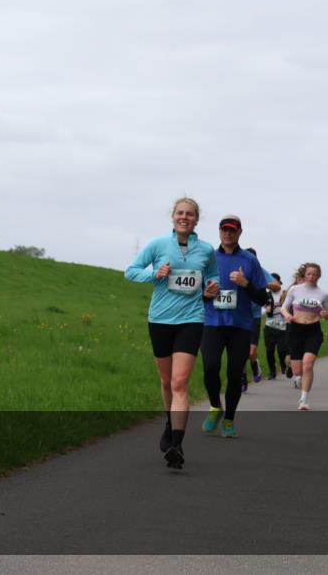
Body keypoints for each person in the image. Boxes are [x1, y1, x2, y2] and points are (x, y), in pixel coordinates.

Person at [126, 197, 220, 469]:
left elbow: (213, 276)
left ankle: (177, 444)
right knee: (166, 382)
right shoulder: (157, 245)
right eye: (180, 213)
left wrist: (210, 289)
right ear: (173, 217)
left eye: (190, 214)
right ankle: (170, 421)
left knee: (180, 382)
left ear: (196, 220)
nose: (185, 217)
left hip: (191, 319)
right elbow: (130, 272)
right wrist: (154, 275)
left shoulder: (205, 250)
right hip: (160, 319)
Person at [200, 216, 271, 438]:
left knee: (234, 374)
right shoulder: (207, 258)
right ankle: (214, 406)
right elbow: (193, 295)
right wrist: (204, 294)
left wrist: (245, 284)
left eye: (232, 230)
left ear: (240, 232)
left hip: (240, 327)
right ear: (219, 231)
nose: (227, 234)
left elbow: (262, 298)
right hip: (211, 323)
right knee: (210, 368)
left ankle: (229, 418)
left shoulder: (250, 260)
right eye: (224, 230)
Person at [279, 263, 328, 410]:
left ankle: (303, 400)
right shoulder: (295, 290)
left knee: (308, 365)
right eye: (309, 274)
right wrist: (288, 315)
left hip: (313, 331)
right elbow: (283, 308)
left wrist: (325, 314)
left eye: (314, 274)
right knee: (298, 370)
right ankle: (298, 377)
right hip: (295, 330)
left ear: (319, 276)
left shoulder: (323, 294)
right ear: (304, 275)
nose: (311, 277)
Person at [241, 248, 280, 390]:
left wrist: (262, 283)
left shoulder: (260, 271)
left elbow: (276, 285)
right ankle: (243, 379)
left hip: (254, 317)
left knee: (251, 352)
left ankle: (255, 365)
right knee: (240, 352)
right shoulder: (237, 268)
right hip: (238, 316)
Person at [262, 273, 288, 379]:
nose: (271, 284)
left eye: (273, 281)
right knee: (269, 351)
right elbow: (263, 307)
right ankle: (272, 371)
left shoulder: (285, 293)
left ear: (278, 283)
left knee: (282, 350)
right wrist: (266, 308)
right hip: (270, 326)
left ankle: (283, 365)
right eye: (269, 282)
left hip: (283, 327)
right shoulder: (266, 295)